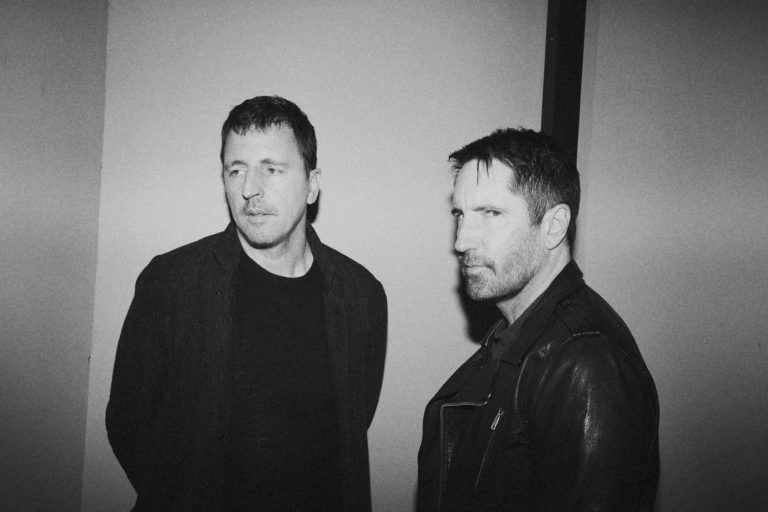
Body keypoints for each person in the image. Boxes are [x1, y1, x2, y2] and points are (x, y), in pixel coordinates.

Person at [106, 96, 387, 512]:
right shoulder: (170, 283)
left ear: (312, 185)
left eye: (271, 169)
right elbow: (128, 422)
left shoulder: (361, 295)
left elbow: (353, 422)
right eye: (236, 170)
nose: (249, 189)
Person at [417, 128, 659, 511]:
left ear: (553, 226)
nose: (461, 241)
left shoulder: (587, 363)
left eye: (491, 213)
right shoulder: (515, 334)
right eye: (460, 215)